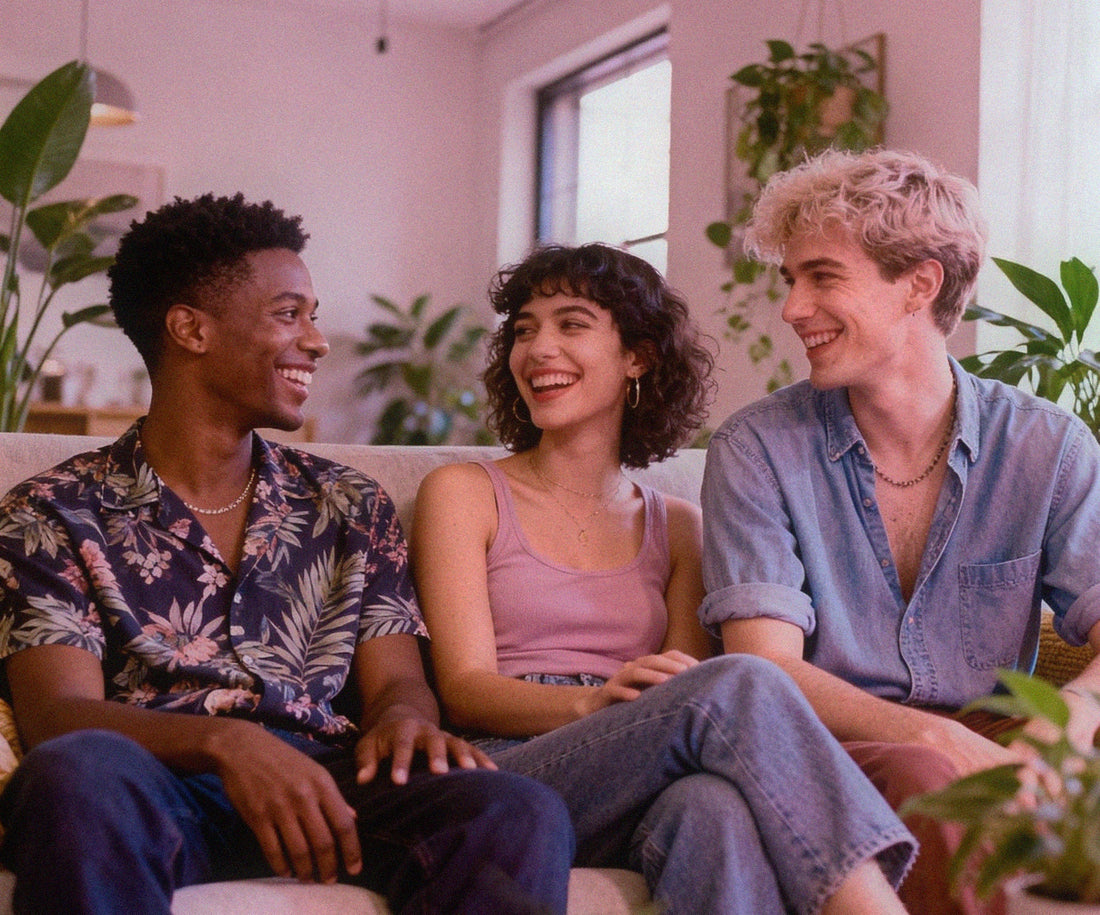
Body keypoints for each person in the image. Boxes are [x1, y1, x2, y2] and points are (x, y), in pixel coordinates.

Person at [0, 193, 575, 915]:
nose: (318, 339)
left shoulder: (349, 503)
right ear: (190, 329)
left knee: (514, 808)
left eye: (311, 313)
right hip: (151, 785)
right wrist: (227, 743)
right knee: (73, 774)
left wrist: (403, 718)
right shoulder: (51, 510)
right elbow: (60, 712)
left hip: (330, 786)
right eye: (288, 313)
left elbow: (397, 678)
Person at [412, 242, 916, 915]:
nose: (537, 350)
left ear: (638, 357)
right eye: (524, 329)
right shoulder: (463, 492)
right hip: (508, 769)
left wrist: (638, 706)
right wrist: (590, 705)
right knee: (741, 678)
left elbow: (680, 682)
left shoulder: (680, 526)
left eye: (571, 324)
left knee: (713, 808)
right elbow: (464, 689)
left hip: (640, 758)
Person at [700, 147, 1100, 915]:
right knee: (927, 776)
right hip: (827, 744)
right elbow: (767, 668)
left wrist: (1071, 719)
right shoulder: (756, 448)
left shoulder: (1048, 446)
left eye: (822, 276)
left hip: (997, 740)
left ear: (920, 283)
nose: (791, 309)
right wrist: (936, 739)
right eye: (791, 280)